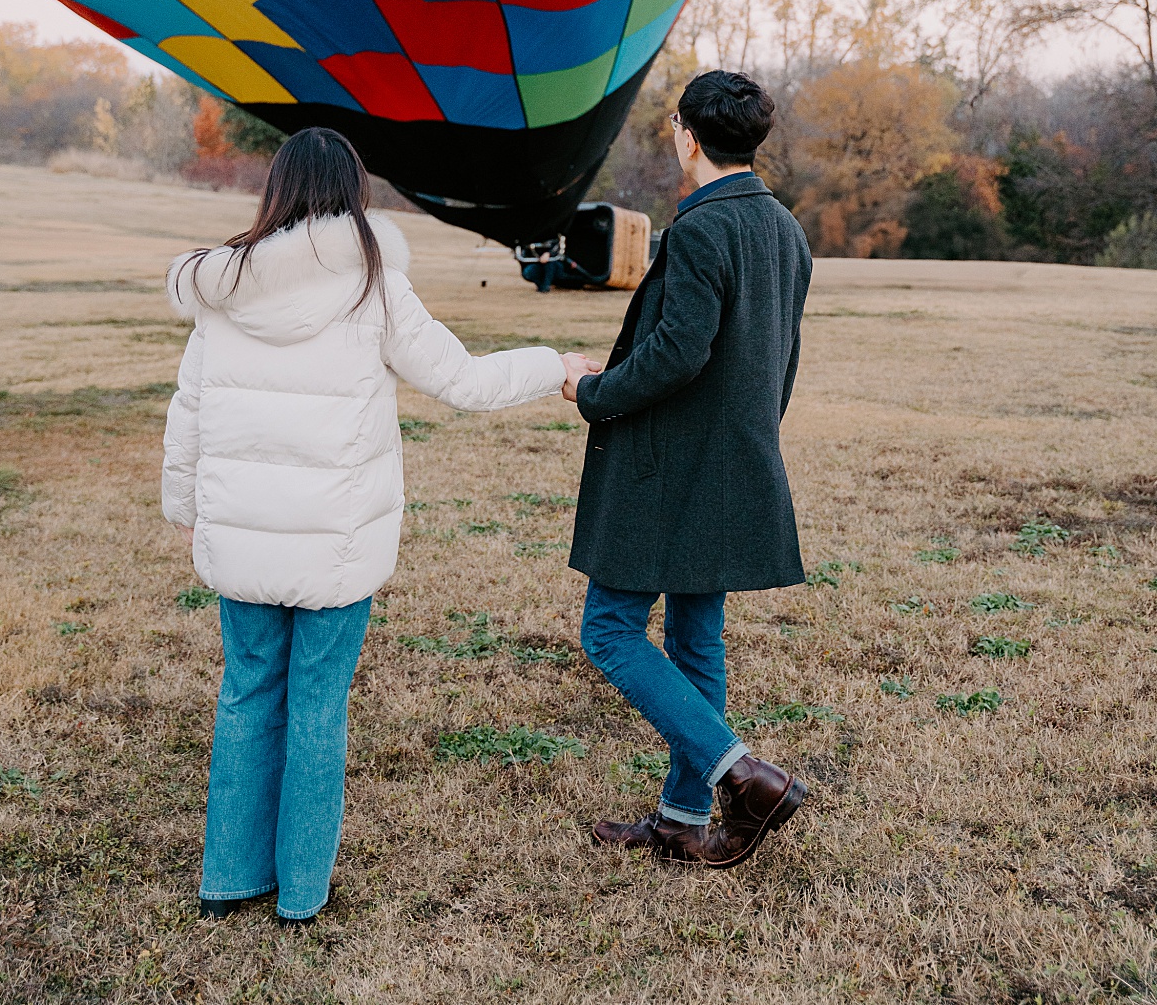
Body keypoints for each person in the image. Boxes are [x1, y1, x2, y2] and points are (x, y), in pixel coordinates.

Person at [162, 128, 576, 922]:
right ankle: (302, 893)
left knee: (248, 694)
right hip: (338, 544)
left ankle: (228, 879)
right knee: (318, 704)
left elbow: (190, 408)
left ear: (274, 192)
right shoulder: (372, 282)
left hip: (244, 534)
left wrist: (184, 505)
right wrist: (552, 363)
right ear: (351, 194)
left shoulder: (223, 287)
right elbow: (461, 378)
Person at [570, 70, 814, 867]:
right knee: (695, 639)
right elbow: (783, 360)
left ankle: (743, 774)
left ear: (687, 136)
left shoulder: (704, 229)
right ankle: (680, 819)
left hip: (672, 468)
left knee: (608, 629)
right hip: (734, 460)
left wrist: (594, 391)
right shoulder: (785, 228)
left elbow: (677, 353)